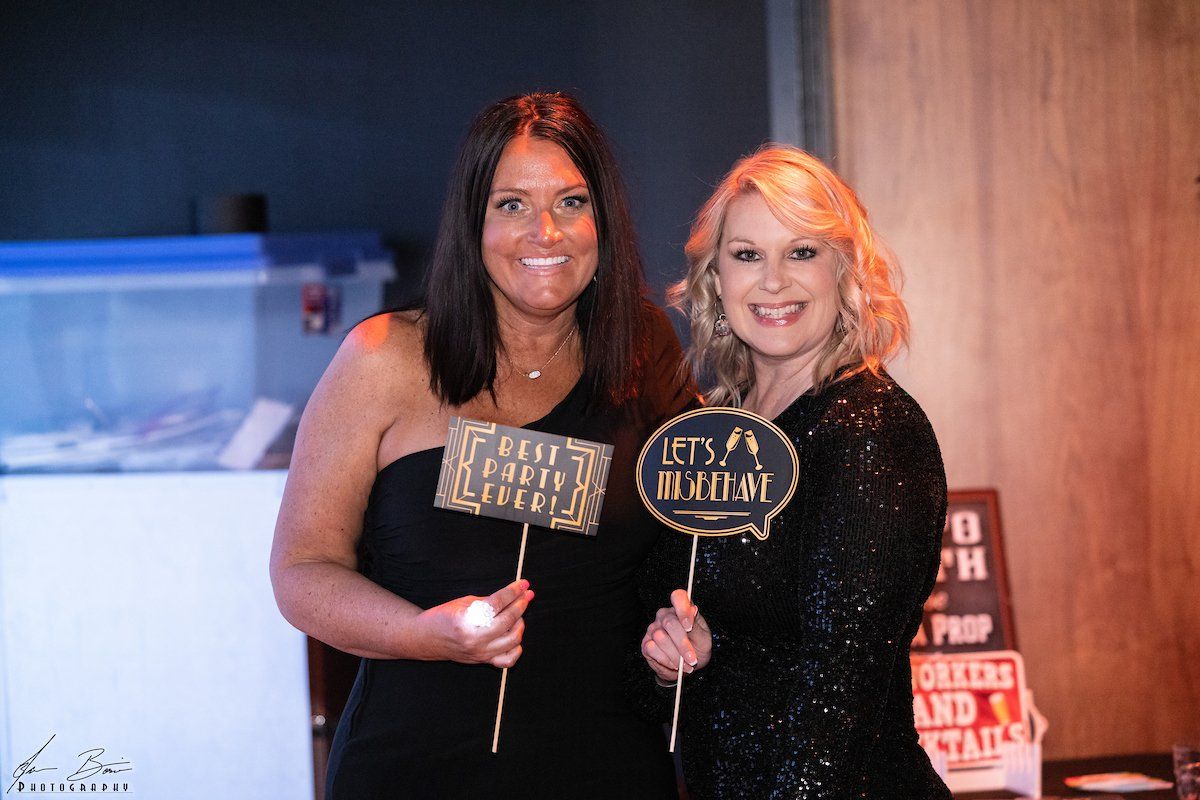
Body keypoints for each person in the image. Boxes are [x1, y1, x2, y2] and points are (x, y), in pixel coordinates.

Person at [271, 93, 694, 799]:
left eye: (571, 202)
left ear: (604, 221)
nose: (545, 233)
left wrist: (685, 630)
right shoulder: (384, 358)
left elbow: (702, 540)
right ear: (472, 221)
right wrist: (425, 632)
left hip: (609, 765)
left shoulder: (643, 348)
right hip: (418, 767)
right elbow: (303, 571)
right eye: (512, 205)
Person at [639, 145, 952, 799]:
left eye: (802, 252)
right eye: (748, 254)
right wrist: (682, 653)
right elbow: (759, 646)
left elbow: (840, 694)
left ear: (843, 271)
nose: (773, 280)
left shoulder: (870, 427)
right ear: (716, 279)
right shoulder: (716, 428)